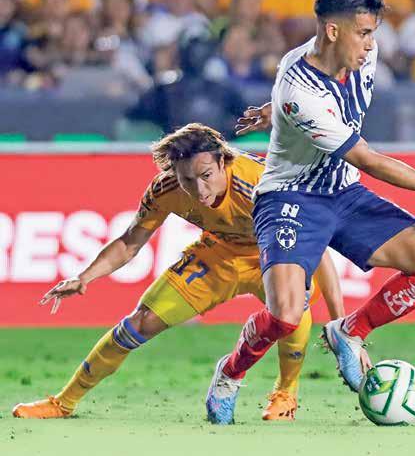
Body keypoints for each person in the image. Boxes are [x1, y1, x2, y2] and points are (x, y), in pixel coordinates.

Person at [205, 0, 415, 425]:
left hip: (342, 192)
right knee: (285, 317)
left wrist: (272, 111)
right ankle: (230, 374)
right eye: (362, 33)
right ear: (332, 31)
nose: (371, 45)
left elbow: (299, 104)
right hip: (290, 198)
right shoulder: (301, 90)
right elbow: (367, 158)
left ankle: (350, 330)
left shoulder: (356, 56)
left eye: (372, 33)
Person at [13, 123, 343, 422]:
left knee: (293, 313)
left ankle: (285, 394)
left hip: (275, 255)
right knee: (138, 323)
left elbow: (318, 248)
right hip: (217, 256)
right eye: (188, 179)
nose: (199, 190)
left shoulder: (262, 184)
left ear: (223, 161)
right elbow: (129, 242)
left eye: (206, 175)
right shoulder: (166, 189)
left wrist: (339, 324)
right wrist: (85, 277)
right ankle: (63, 403)